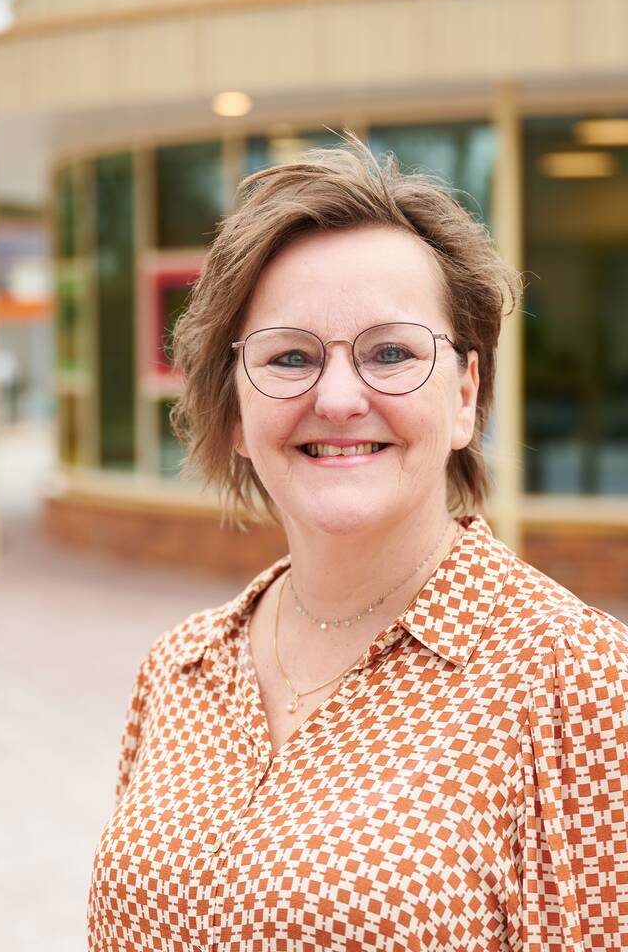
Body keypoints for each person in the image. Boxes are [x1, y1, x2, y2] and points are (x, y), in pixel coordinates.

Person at [87, 136, 628, 951]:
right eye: (291, 356)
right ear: (235, 410)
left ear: (464, 394)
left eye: (391, 353)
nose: (339, 397)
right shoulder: (178, 669)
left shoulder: (574, 682)